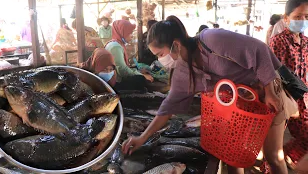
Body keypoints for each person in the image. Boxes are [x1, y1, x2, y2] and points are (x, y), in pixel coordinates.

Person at [122, 16, 288, 174]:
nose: (161, 61)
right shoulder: (182, 71)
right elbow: (168, 107)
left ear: (176, 45)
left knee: (273, 156)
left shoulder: (211, 39)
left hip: (265, 93)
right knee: (232, 157)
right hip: (238, 108)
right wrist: (142, 138)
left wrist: (270, 92)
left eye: (160, 54)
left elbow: (258, 50)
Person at [269, 0, 308, 170]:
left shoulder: (306, 42)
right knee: (273, 146)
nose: (302, 20)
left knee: (305, 138)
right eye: (298, 17)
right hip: (284, 99)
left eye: (306, 17)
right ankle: (274, 163)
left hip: (304, 100)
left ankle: (288, 156)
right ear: (286, 19)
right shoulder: (278, 41)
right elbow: (272, 73)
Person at [105, 20, 153, 91]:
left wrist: (138, 72)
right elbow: (122, 70)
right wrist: (141, 75)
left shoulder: (116, 44)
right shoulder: (115, 47)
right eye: (130, 33)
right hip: (116, 82)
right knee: (141, 80)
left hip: (117, 78)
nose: (132, 35)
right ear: (122, 33)